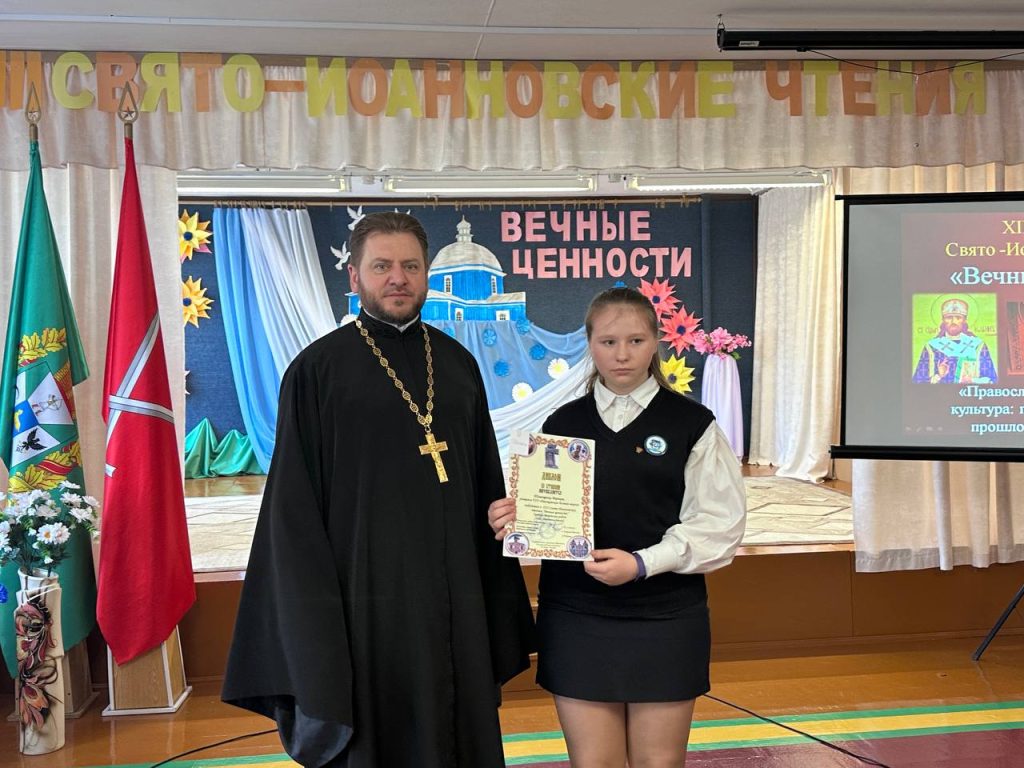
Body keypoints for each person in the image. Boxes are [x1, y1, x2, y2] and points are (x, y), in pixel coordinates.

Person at [223, 212, 535, 768]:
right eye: (382, 266)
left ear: (426, 274)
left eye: (410, 266)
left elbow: (485, 478)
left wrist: (507, 519)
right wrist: (311, 615)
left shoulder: (459, 365)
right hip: (364, 596)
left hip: (455, 590)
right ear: (355, 277)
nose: (398, 278)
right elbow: (293, 509)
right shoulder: (317, 370)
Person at [489, 287, 746, 768]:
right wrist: (516, 519)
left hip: (666, 617)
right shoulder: (561, 423)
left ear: (656, 342)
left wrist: (642, 564)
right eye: (608, 342)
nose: (622, 354)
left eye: (635, 340)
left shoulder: (693, 424)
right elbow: (551, 514)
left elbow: (719, 527)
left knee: (659, 763)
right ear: (589, 344)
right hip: (576, 615)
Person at [913, 297, 997, 384]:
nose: (954, 321)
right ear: (943, 320)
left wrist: (972, 380)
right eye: (949, 317)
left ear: (965, 320)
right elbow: (918, 382)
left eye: (958, 317)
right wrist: (939, 376)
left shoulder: (978, 345)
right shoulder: (932, 347)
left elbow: (992, 380)